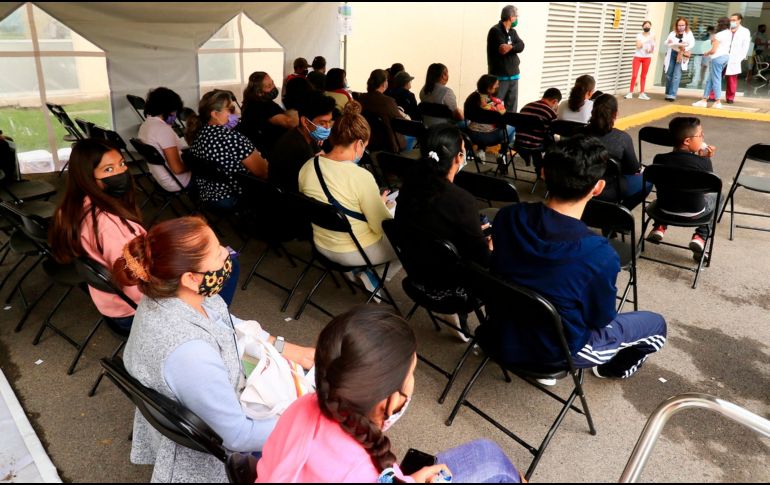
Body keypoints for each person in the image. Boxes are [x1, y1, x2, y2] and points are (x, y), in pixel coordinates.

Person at [118, 216, 314, 483]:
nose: (227, 254)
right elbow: (237, 435)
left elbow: (230, 323)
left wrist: (292, 350)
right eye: (218, 252)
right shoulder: (189, 352)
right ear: (190, 277)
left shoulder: (170, 294)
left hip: (220, 404)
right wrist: (313, 425)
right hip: (223, 445)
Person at [255, 305, 523, 483]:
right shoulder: (363, 470)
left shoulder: (304, 406)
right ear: (388, 401)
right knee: (492, 461)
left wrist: (408, 480)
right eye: (411, 374)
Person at [484, 135, 667, 381]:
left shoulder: (507, 216)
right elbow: (600, 319)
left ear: (543, 173)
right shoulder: (598, 254)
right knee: (656, 325)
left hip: (500, 330)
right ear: (598, 187)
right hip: (558, 351)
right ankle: (612, 369)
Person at [298, 101, 400, 294]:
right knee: (408, 243)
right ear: (359, 143)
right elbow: (382, 226)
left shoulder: (308, 166)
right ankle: (373, 277)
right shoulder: (361, 176)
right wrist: (383, 206)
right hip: (352, 251)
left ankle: (362, 272)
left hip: (321, 244)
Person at [49, 138, 145, 330]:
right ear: (87, 176)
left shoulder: (70, 209)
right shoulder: (110, 226)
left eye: (122, 164)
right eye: (108, 169)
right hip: (135, 313)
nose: (121, 173)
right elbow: (137, 286)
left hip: (111, 304)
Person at [646, 117, 718, 260]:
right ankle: (700, 236)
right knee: (718, 197)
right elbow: (709, 189)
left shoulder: (659, 159)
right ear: (687, 141)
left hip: (664, 209)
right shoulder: (703, 163)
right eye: (700, 135)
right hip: (694, 212)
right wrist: (705, 158)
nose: (703, 137)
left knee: (671, 188)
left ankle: (659, 227)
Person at [186, 90, 268, 211]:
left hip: (206, 195)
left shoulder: (198, 135)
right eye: (231, 109)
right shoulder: (233, 138)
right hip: (231, 197)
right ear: (215, 114)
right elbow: (263, 172)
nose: (236, 112)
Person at [586, 94, 650, 210]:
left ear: (592, 112)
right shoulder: (622, 138)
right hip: (608, 189)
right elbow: (632, 169)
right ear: (615, 114)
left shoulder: (577, 133)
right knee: (648, 181)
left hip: (576, 185)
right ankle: (618, 214)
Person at [269, 90, 335, 193]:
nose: (327, 128)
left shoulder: (306, 135)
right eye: (322, 123)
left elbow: (321, 156)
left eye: (329, 122)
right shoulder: (297, 148)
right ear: (305, 121)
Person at [137, 87, 192, 192]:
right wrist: (196, 167)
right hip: (178, 181)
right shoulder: (162, 129)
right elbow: (177, 169)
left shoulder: (145, 125)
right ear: (169, 110)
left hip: (161, 179)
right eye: (174, 111)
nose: (175, 115)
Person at [239, 71, 299, 156]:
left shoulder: (253, 101)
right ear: (259, 92)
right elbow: (289, 122)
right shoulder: (261, 106)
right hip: (271, 153)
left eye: (272, 83)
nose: (273, 87)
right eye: (269, 86)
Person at [358, 69, 414, 152]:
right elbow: (401, 123)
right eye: (387, 80)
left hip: (368, 139)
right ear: (384, 83)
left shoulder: (361, 98)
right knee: (412, 136)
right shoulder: (388, 101)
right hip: (388, 142)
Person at [487, 5, 525, 113]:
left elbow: (521, 45)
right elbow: (502, 49)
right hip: (499, 77)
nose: (517, 19)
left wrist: (511, 47)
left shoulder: (512, 32)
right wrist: (513, 46)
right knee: (495, 107)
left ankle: (509, 129)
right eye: (516, 16)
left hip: (514, 75)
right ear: (511, 17)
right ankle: (494, 129)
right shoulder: (495, 31)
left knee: (512, 108)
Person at [463, 74, 515, 154]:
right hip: (487, 137)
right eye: (496, 85)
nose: (498, 86)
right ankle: (502, 153)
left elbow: (468, 115)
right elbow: (502, 120)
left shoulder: (472, 97)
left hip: (470, 134)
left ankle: (481, 150)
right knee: (512, 126)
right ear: (488, 88)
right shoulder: (492, 102)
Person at [516, 88, 561, 170]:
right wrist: (555, 113)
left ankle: (537, 165)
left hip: (518, 144)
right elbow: (553, 131)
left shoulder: (527, 106)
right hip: (535, 146)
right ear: (555, 101)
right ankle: (543, 169)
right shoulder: (550, 112)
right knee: (553, 142)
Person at [692, 17, 732, 109]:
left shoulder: (718, 35)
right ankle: (704, 100)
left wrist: (706, 52)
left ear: (720, 24)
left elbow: (713, 50)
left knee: (716, 79)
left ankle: (718, 101)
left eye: (717, 23)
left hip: (717, 58)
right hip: (725, 57)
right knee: (710, 79)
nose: (716, 24)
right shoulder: (729, 33)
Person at [419, 63, 463, 127]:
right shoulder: (446, 92)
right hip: (443, 129)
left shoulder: (423, 91)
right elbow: (458, 116)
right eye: (447, 73)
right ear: (443, 75)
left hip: (427, 127)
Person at [663, 17, 695, 102]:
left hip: (681, 54)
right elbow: (666, 42)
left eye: (683, 25)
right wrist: (669, 42)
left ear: (686, 25)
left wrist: (685, 47)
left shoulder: (689, 33)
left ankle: (672, 95)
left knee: (677, 75)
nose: (681, 27)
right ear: (676, 26)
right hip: (672, 53)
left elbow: (692, 44)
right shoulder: (672, 33)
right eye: (679, 25)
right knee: (669, 74)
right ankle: (667, 93)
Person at [724, 13, 752, 104]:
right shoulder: (727, 29)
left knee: (732, 79)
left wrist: (739, 58)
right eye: (731, 20)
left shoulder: (745, 31)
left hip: (734, 58)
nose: (732, 21)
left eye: (734, 20)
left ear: (739, 20)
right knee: (716, 77)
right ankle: (712, 96)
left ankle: (730, 97)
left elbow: (745, 46)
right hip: (723, 56)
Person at [625, 21, 655, 100]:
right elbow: (638, 46)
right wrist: (647, 39)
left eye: (648, 26)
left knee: (643, 76)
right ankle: (630, 92)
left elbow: (653, 48)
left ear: (650, 27)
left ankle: (642, 93)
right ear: (643, 27)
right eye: (645, 26)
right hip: (637, 57)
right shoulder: (639, 35)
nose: (647, 27)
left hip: (647, 57)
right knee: (634, 75)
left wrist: (650, 50)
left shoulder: (653, 35)